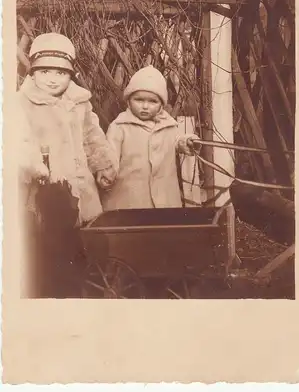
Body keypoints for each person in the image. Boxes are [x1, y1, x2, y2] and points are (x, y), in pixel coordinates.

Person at [17, 32, 118, 297]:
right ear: (33, 72)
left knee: (83, 242)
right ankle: (51, 292)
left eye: (61, 73)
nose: (52, 79)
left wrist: (103, 164)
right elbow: (18, 139)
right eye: (45, 71)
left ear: (71, 75)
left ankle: (81, 290)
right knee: (49, 245)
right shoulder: (22, 103)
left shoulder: (79, 102)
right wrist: (34, 164)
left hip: (80, 185)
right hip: (47, 189)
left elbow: (91, 135)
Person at [101, 65, 200, 211]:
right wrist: (107, 173)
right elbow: (110, 156)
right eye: (139, 100)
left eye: (153, 101)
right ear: (128, 101)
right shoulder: (119, 127)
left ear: (161, 104)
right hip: (129, 200)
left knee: (160, 232)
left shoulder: (169, 126)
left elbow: (178, 141)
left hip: (164, 200)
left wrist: (187, 142)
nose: (145, 106)